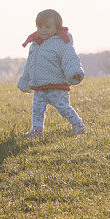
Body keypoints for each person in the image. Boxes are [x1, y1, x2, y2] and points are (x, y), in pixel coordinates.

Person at [17, 9, 87, 137]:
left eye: (47, 27)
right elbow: (30, 64)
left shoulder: (62, 43)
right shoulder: (35, 44)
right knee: (37, 110)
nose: (43, 29)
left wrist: (74, 72)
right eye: (39, 26)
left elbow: (70, 59)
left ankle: (78, 125)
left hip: (56, 85)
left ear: (57, 27)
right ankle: (37, 130)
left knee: (63, 107)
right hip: (39, 86)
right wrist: (25, 79)